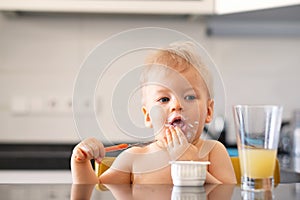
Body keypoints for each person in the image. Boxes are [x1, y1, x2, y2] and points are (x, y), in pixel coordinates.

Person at [71, 41, 236, 184]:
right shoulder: (134, 158)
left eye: (189, 96)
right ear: (148, 116)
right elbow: (93, 192)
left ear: (208, 111)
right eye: (164, 99)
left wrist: (191, 166)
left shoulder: (213, 152)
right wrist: (80, 162)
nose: (177, 105)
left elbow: (227, 195)